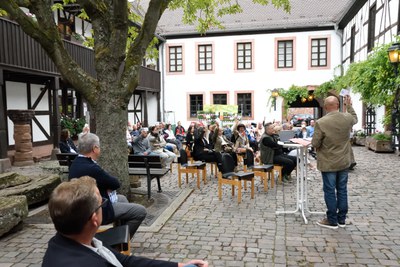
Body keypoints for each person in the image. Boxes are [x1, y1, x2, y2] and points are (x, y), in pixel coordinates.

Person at [42, 176, 208, 267]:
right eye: (102, 203)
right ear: (94, 219)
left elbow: (127, 261)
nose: (104, 205)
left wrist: (180, 266)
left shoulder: (80, 241)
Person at [68, 133, 147, 238]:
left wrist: (106, 186)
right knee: (140, 211)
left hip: (82, 205)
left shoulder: (76, 162)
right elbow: (115, 183)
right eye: (99, 146)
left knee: (122, 199)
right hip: (96, 210)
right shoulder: (92, 167)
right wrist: (107, 186)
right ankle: (117, 241)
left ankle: (121, 236)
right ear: (95, 148)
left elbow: (106, 182)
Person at [312, 95, 357, 229]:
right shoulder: (347, 118)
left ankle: (332, 220)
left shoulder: (321, 122)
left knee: (330, 190)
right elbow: (355, 118)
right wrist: (349, 106)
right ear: (338, 105)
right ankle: (342, 219)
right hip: (344, 160)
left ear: (325, 107)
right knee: (342, 190)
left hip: (328, 162)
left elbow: (315, 143)